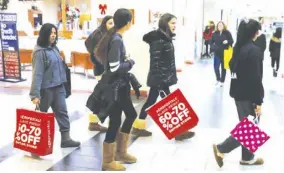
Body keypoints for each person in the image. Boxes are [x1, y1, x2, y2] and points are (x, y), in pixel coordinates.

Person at [131, 13, 195, 141]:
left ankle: (138, 126)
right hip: (159, 79)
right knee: (169, 103)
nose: (174, 25)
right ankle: (179, 131)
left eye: (175, 23)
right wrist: (160, 81)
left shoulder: (165, 38)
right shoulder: (158, 39)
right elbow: (156, 62)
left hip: (161, 78)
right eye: (172, 23)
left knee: (150, 101)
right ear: (165, 23)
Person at [213, 18, 264, 168]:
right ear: (254, 33)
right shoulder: (254, 51)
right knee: (249, 127)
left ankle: (247, 158)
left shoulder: (238, 48)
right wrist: (258, 101)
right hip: (249, 95)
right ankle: (221, 148)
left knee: (247, 124)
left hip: (238, 93)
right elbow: (256, 79)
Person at [95, 8, 137, 171]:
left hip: (119, 85)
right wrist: (130, 62)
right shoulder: (117, 39)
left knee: (125, 116)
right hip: (116, 87)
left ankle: (120, 152)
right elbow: (114, 68)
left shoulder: (114, 37)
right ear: (127, 23)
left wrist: (124, 61)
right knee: (116, 120)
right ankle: (108, 160)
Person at [29, 23, 81, 149]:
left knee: (62, 112)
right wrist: (35, 95)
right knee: (41, 116)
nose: (53, 36)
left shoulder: (54, 48)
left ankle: (66, 139)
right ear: (44, 34)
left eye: (54, 33)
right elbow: (37, 74)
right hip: (46, 90)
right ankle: (36, 144)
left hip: (58, 87)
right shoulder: (40, 52)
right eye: (50, 33)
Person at [85, 15, 114, 132]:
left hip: (103, 69)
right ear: (104, 24)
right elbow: (96, 55)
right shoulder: (100, 36)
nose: (112, 26)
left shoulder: (104, 34)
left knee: (103, 94)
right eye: (110, 23)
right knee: (104, 95)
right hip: (101, 70)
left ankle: (94, 121)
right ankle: (95, 121)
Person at [210, 21, 234, 87]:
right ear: (217, 26)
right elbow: (211, 42)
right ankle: (218, 79)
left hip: (225, 53)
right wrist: (213, 47)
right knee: (216, 67)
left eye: (221, 25)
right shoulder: (214, 33)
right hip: (217, 53)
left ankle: (222, 81)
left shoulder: (227, 33)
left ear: (223, 26)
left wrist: (227, 41)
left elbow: (232, 41)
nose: (220, 26)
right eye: (218, 25)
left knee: (223, 68)